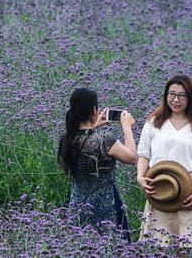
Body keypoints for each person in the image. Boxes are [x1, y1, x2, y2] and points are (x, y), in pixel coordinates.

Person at [137, 75, 192, 249]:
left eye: (182, 95)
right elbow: (143, 153)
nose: (176, 100)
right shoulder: (153, 123)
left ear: (190, 98)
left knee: (183, 247)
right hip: (160, 188)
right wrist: (140, 177)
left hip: (188, 191)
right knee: (158, 245)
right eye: (171, 94)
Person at [58, 88, 137, 242]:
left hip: (77, 207)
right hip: (107, 209)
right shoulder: (105, 140)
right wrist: (126, 127)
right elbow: (131, 157)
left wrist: (93, 125)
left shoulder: (67, 140)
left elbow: (84, 139)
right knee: (113, 252)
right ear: (94, 110)